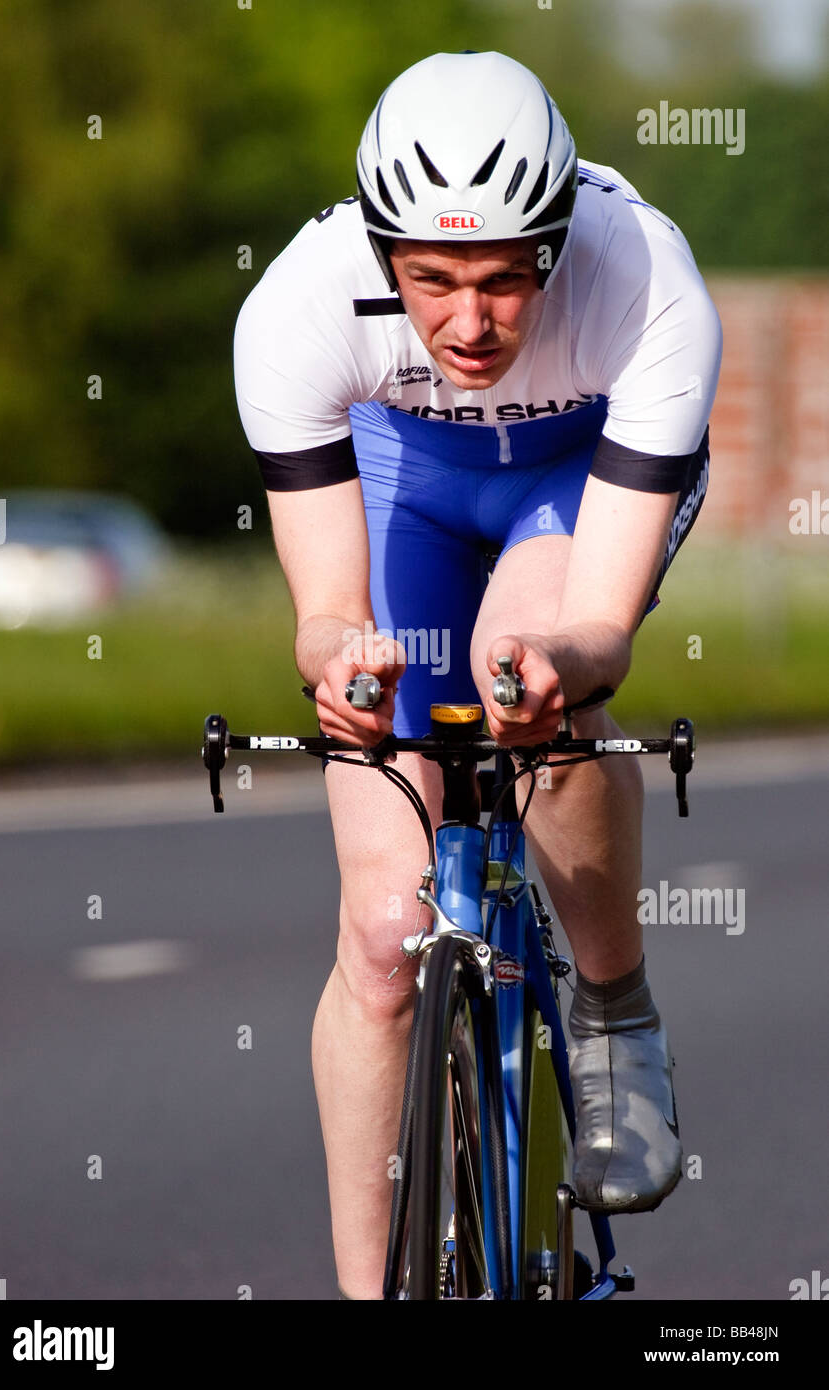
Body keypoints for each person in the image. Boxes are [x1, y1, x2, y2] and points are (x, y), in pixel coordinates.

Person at [234, 50, 722, 1300]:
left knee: (537, 696)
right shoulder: (294, 308)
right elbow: (327, 609)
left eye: (506, 281)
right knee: (384, 928)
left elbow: (596, 628)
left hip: (575, 480)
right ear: (378, 248)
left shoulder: (648, 282)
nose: (465, 322)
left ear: (555, 247)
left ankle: (614, 1012)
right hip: (406, 479)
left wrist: (556, 658)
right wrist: (337, 656)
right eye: (431, 281)